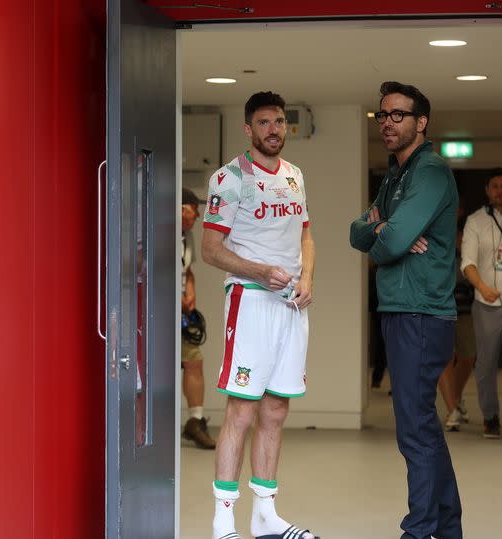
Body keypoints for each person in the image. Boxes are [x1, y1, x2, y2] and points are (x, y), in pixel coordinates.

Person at [202, 91, 318, 539]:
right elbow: (211, 251)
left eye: (281, 122)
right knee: (242, 412)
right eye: (265, 123)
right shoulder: (228, 179)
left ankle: (266, 515)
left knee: (276, 409)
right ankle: (223, 523)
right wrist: (259, 270)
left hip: (291, 304)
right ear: (249, 129)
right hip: (250, 301)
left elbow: (306, 236)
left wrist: (306, 276)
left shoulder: (294, 175)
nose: (275, 129)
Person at [350, 81, 461, 539]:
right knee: (423, 428)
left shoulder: (430, 171)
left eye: (398, 115)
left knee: (414, 430)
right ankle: (447, 528)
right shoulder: (395, 175)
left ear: (421, 122)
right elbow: (360, 233)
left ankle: (419, 531)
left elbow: (386, 241)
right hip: (400, 309)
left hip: (421, 312)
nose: (388, 123)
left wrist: (385, 233)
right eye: (383, 115)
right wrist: (382, 232)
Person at [460, 168, 502, 439]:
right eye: (495, 186)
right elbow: (467, 262)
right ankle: (490, 417)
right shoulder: (476, 221)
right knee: (486, 366)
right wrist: (481, 287)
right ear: (487, 191)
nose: (500, 190)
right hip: (487, 305)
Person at [181, 187, 217, 449]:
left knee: (194, 360)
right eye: (194, 211)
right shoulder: (158, 234)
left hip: (183, 312)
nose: (197, 216)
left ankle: (195, 421)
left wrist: (190, 292)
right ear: (182, 209)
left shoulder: (188, 237)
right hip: (159, 312)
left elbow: (187, 270)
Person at [439, 207, 475, 432]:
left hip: (465, 307)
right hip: (439, 306)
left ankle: (456, 397)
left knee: (468, 355)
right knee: (444, 358)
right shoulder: (436, 232)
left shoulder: (469, 232)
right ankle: (451, 408)